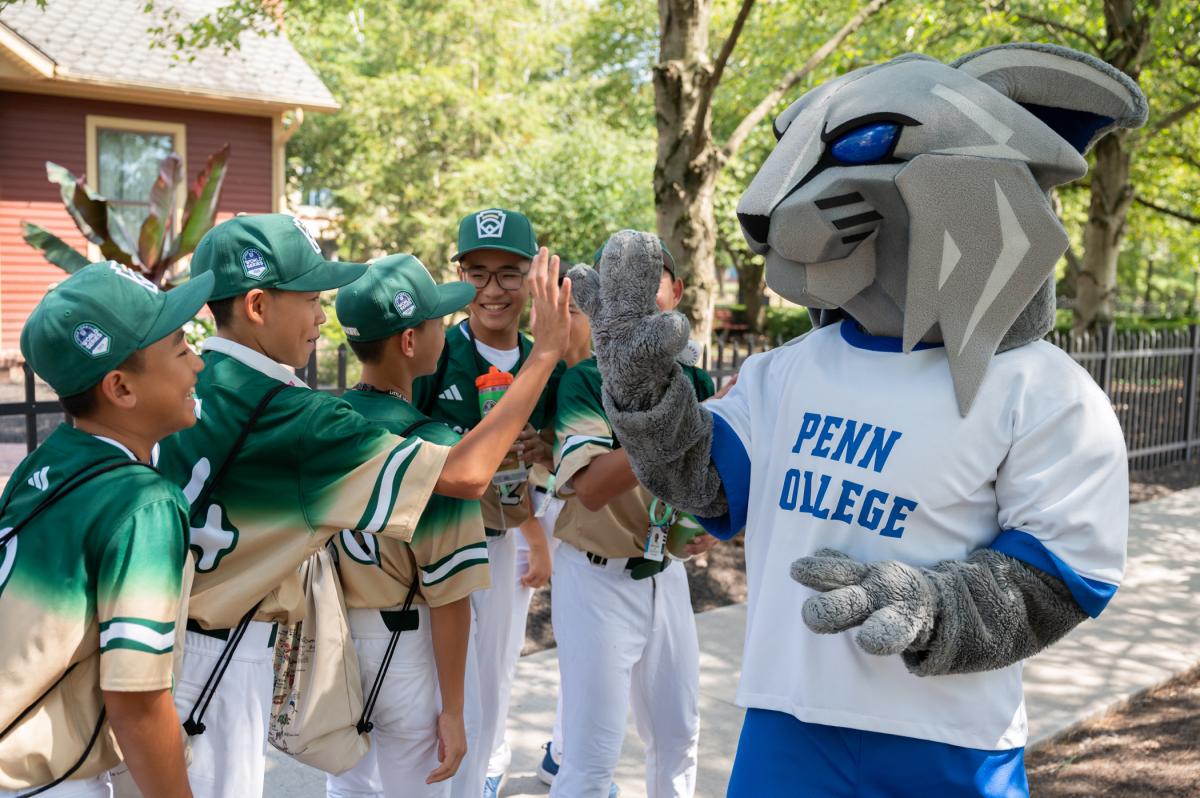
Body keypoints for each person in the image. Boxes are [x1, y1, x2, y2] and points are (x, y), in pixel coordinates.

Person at [153, 214, 557, 798]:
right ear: (259, 306)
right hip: (225, 657)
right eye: (312, 298)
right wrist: (542, 356)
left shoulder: (177, 381)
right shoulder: (299, 414)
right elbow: (467, 475)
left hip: (155, 640)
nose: (322, 317)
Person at [325, 249, 571, 798]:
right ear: (410, 342)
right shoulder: (435, 446)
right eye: (438, 318)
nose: (449, 326)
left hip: (339, 642)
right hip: (406, 650)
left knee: (350, 789)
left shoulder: (325, 418)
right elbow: (449, 598)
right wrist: (455, 710)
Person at [1, 261, 213, 798]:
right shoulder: (144, 503)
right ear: (120, 387)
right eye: (181, 347)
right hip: (46, 781)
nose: (199, 363)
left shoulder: (45, 462)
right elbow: (137, 700)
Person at [548, 236, 717, 798]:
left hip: (664, 573)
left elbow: (707, 483)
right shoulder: (585, 381)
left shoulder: (697, 381)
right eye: (620, 280)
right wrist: (675, 425)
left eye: (653, 278)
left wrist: (709, 523)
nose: (638, 292)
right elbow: (593, 487)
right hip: (595, 577)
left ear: (676, 291)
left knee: (678, 737)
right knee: (592, 755)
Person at [412, 208, 562, 797]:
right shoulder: (436, 353)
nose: (492, 290)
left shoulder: (545, 358)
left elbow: (561, 458)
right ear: (458, 274)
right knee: (441, 679)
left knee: (496, 671)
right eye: (477, 273)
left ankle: (483, 776)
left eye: (507, 273)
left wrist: (540, 447)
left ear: (531, 276)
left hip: (504, 544)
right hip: (441, 541)